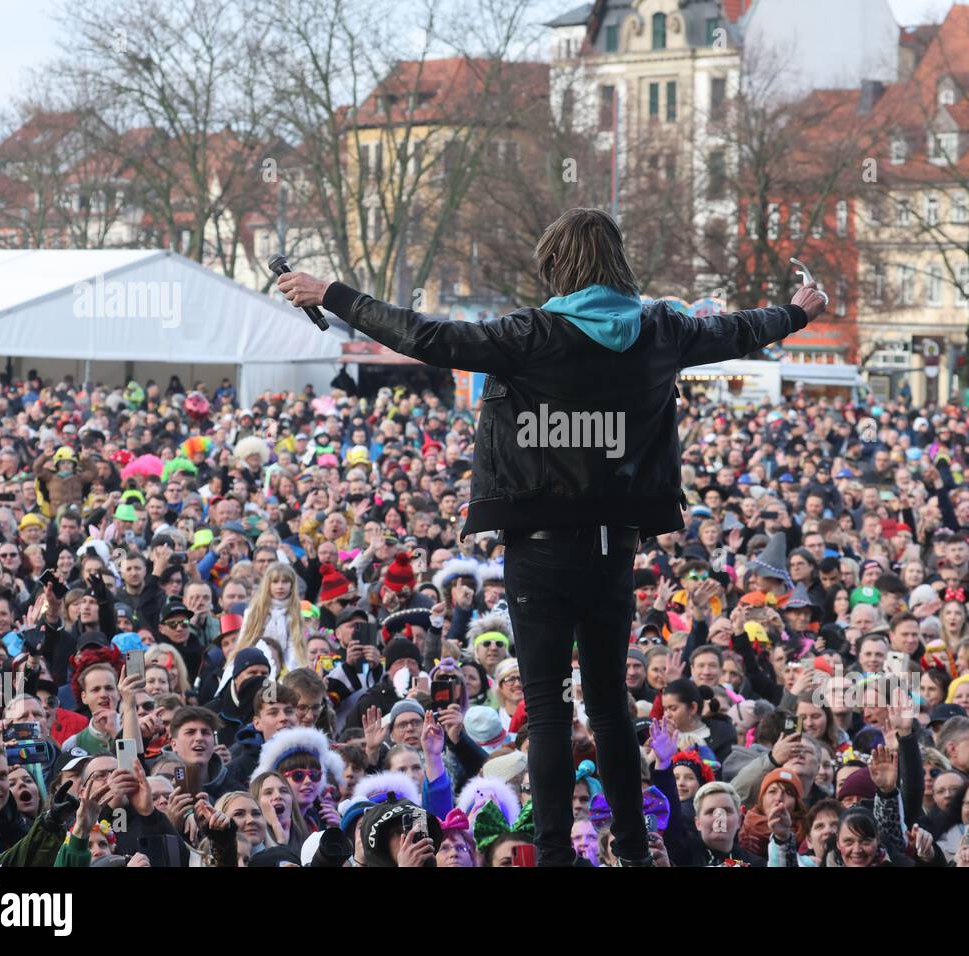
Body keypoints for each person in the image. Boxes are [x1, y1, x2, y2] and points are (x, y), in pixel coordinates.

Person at [277, 206, 827, 866]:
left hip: (540, 544)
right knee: (610, 707)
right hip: (612, 546)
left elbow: (426, 335)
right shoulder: (662, 330)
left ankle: (554, 856)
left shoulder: (531, 333)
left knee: (545, 708)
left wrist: (329, 293)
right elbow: (739, 330)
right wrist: (797, 311)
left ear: (560, 268)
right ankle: (632, 848)